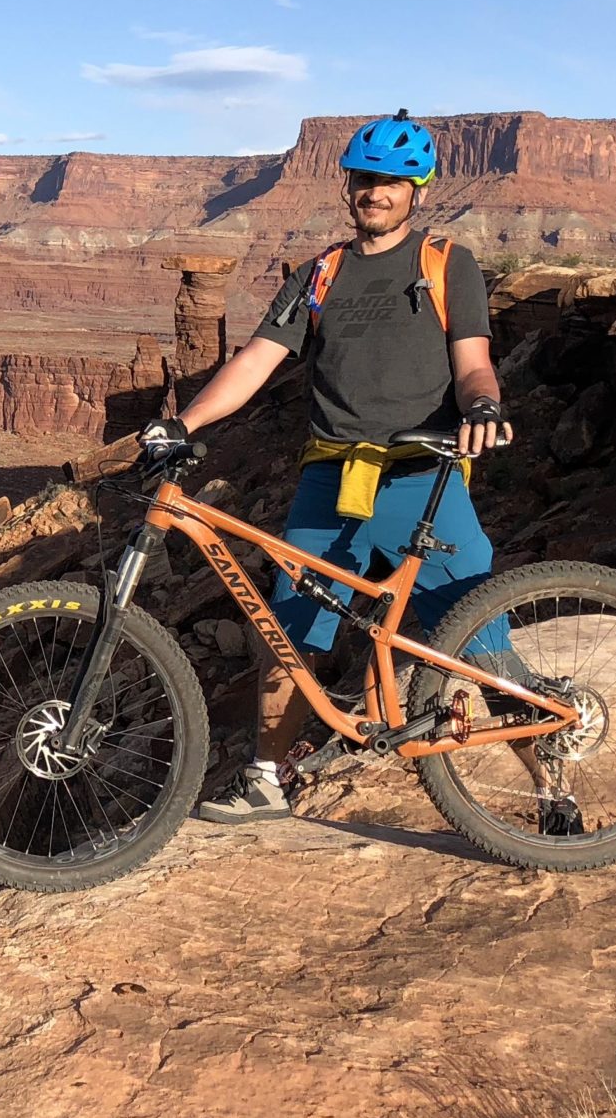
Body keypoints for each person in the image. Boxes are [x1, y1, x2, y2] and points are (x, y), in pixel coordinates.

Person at [137, 111, 515, 824]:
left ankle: (553, 777)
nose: (376, 191)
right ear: (349, 184)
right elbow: (256, 360)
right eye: (365, 178)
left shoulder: (445, 263)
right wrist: (182, 422)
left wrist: (483, 406)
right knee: (287, 631)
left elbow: (473, 362)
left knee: (480, 638)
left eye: (393, 181)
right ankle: (266, 780)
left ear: (418, 191)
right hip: (330, 479)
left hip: (419, 479)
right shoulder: (323, 273)